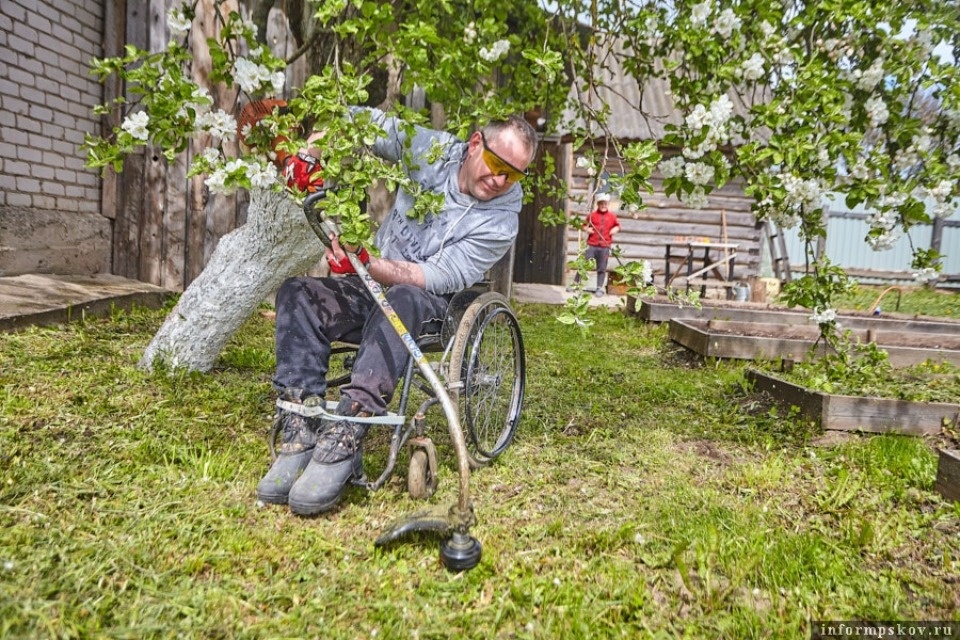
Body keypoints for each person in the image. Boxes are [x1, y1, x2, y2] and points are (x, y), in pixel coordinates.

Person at [257, 107, 538, 516]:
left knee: (403, 296)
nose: (499, 181)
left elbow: (436, 275)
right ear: (476, 143)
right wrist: (312, 152)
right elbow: (360, 121)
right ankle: (300, 423)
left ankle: (347, 431)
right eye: (497, 165)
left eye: (512, 175)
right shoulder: (434, 152)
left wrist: (367, 261)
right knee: (298, 292)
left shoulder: (501, 222)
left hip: (429, 304)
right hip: (373, 283)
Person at [569, 193, 621, 295]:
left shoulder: (612, 216)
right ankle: (575, 284)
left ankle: (599, 288)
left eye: (605, 203)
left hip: (605, 246)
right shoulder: (592, 215)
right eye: (601, 203)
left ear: (608, 204)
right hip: (591, 245)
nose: (603, 205)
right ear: (598, 204)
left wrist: (615, 229)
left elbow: (618, 226)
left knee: (602, 268)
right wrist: (587, 229)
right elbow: (583, 225)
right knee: (583, 265)